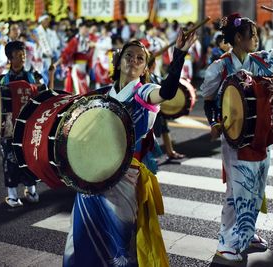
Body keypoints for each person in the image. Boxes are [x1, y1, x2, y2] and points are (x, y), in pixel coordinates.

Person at [63, 30, 197, 267]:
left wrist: (180, 54)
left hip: (124, 178)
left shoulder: (143, 92)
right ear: (119, 60)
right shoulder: (103, 93)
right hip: (91, 175)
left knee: (120, 242)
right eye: (129, 55)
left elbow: (166, 92)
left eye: (139, 58)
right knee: (82, 235)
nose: (133, 61)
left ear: (145, 68)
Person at [200, 12, 273, 261]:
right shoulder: (220, 67)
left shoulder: (260, 61)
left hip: (260, 134)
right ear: (238, 37)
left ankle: (247, 232)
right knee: (238, 191)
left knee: (256, 188)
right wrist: (214, 122)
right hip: (235, 138)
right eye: (252, 35)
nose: (256, 38)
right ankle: (226, 243)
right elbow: (209, 99)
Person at [0, 41, 55, 208]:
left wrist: (51, 76)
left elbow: (47, 94)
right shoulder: (1, 80)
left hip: (29, 125)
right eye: (19, 56)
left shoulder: (34, 76)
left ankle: (31, 190)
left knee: (29, 157)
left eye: (24, 55)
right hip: (9, 127)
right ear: (9, 59)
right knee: (10, 158)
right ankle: (12, 195)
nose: (22, 58)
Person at [60, 21, 94, 95]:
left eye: (87, 29)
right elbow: (67, 52)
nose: (86, 30)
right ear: (80, 28)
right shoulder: (75, 40)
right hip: (77, 66)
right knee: (78, 89)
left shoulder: (88, 40)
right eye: (85, 28)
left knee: (85, 88)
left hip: (85, 68)